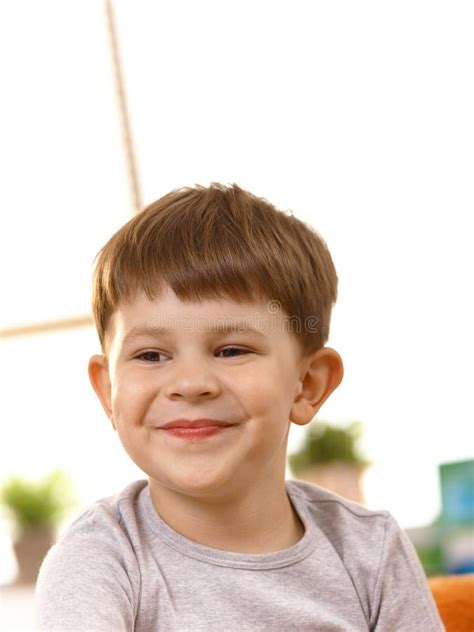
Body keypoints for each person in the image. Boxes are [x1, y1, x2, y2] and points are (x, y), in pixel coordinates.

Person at [35, 183, 444, 631]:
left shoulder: (371, 551)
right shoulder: (99, 558)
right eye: (151, 355)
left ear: (306, 384)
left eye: (231, 350)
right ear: (107, 391)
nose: (190, 385)